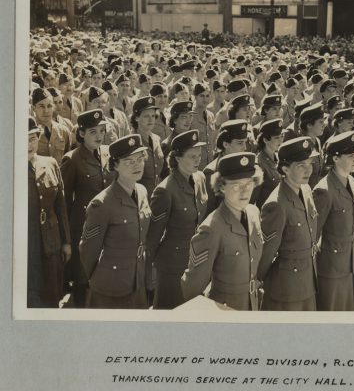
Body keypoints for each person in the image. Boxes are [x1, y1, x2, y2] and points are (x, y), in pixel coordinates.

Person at [181, 152, 264, 310]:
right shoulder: (211, 228)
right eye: (236, 185)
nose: (244, 191)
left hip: (252, 306)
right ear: (221, 187)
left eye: (249, 184)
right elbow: (191, 287)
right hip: (224, 310)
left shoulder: (253, 213)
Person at [79, 135, 151, 309]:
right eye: (129, 161)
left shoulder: (141, 191)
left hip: (137, 282)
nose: (137, 165)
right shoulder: (102, 203)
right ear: (115, 165)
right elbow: (87, 250)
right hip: (110, 288)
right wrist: (98, 278)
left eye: (140, 159)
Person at [147, 130, 208, 309]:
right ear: (178, 158)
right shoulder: (165, 190)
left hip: (195, 262)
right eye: (192, 156)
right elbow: (152, 237)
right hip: (171, 267)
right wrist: (149, 275)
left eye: (199, 155)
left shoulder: (200, 178)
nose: (198, 160)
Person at [258, 137, 319, 311]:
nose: (308, 169)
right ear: (285, 169)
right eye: (301, 165)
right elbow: (267, 251)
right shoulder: (276, 204)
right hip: (286, 287)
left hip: (308, 279)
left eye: (310, 163)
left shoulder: (305, 189)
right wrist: (258, 279)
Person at [60, 109, 114, 307]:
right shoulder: (72, 159)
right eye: (93, 132)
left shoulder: (108, 153)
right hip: (83, 230)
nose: (99, 136)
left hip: (108, 227)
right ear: (81, 133)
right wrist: (65, 239)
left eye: (102, 131)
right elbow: (63, 203)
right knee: (82, 281)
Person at [313, 131, 354, 311]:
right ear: (335, 158)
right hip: (330, 266)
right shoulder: (324, 191)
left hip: (348, 260)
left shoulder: (350, 180)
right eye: (351, 156)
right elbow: (314, 234)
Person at [27, 117, 71, 307]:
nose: (28, 144)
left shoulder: (51, 163)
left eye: (32, 138)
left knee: (53, 295)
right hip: (26, 246)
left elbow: (61, 207)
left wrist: (66, 242)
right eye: (23, 139)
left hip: (51, 243)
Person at [131, 96, 163, 199]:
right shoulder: (132, 144)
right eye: (146, 116)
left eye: (153, 116)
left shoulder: (157, 139)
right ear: (136, 117)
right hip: (139, 199)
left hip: (157, 199)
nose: (151, 119)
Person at [255, 118, 284, 208]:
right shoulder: (258, 164)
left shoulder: (279, 157)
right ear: (265, 140)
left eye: (281, 136)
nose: (280, 141)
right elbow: (254, 199)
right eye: (276, 138)